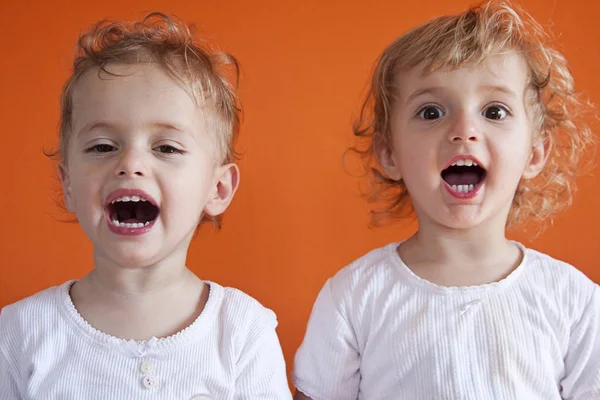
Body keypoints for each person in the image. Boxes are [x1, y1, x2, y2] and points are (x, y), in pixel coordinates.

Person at [292, 1, 599, 399]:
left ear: (534, 153)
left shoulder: (573, 300)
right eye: (431, 111)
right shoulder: (355, 295)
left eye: (494, 110)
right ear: (390, 154)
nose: (464, 130)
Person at [0, 12, 291, 399]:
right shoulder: (20, 332)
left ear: (218, 188)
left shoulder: (242, 332)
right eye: (102, 146)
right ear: (68, 183)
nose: (131, 164)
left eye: (166, 147)